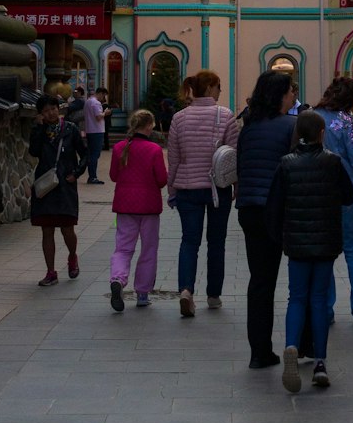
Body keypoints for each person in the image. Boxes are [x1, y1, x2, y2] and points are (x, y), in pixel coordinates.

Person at [267, 111, 353, 392]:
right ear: (321, 133)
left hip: (296, 240)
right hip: (326, 240)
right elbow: (349, 196)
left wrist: (279, 236)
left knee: (296, 297)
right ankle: (320, 363)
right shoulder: (332, 162)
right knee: (318, 300)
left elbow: (275, 205)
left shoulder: (286, 164)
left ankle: (292, 345)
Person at [235, 70, 297, 369]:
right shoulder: (291, 126)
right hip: (279, 211)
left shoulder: (248, 127)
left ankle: (259, 351)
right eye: (290, 91)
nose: (293, 95)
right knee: (299, 277)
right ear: (280, 95)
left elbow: (241, 165)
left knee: (260, 281)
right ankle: (304, 342)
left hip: (249, 209)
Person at [167, 69, 239, 317]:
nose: (220, 91)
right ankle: (213, 295)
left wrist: (172, 188)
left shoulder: (179, 118)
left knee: (189, 241)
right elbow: (234, 155)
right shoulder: (225, 115)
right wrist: (236, 186)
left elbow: (174, 157)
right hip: (218, 188)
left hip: (187, 188)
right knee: (216, 242)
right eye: (218, 86)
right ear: (209, 88)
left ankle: (186, 290)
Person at [315, 77, 353, 326]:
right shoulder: (347, 121)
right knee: (352, 249)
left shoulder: (312, 116)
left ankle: (325, 310)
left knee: (324, 251)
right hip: (344, 187)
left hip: (316, 188)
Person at [108, 109, 167, 311]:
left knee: (123, 248)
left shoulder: (119, 148)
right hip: (149, 207)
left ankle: (117, 279)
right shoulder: (154, 149)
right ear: (149, 126)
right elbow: (161, 180)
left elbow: (113, 176)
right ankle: (142, 293)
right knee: (148, 249)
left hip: (125, 206)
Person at [29, 96, 88, 286]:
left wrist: (76, 173)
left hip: (64, 184)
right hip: (45, 185)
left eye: (53, 108)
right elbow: (34, 151)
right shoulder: (40, 130)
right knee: (47, 230)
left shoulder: (70, 129)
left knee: (67, 228)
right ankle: (51, 272)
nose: (50, 113)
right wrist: (39, 128)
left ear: (59, 109)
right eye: (46, 111)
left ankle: (72, 256)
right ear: (41, 114)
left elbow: (84, 154)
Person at [83, 85, 106, 184]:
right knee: (95, 155)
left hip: (90, 130)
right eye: (103, 95)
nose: (103, 98)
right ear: (100, 93)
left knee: (91, 154)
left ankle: (91, 176)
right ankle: (93, 177)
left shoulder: (88, 101)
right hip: (97, 131)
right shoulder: (96, 103)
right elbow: (98, 117)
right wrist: (105, 113)